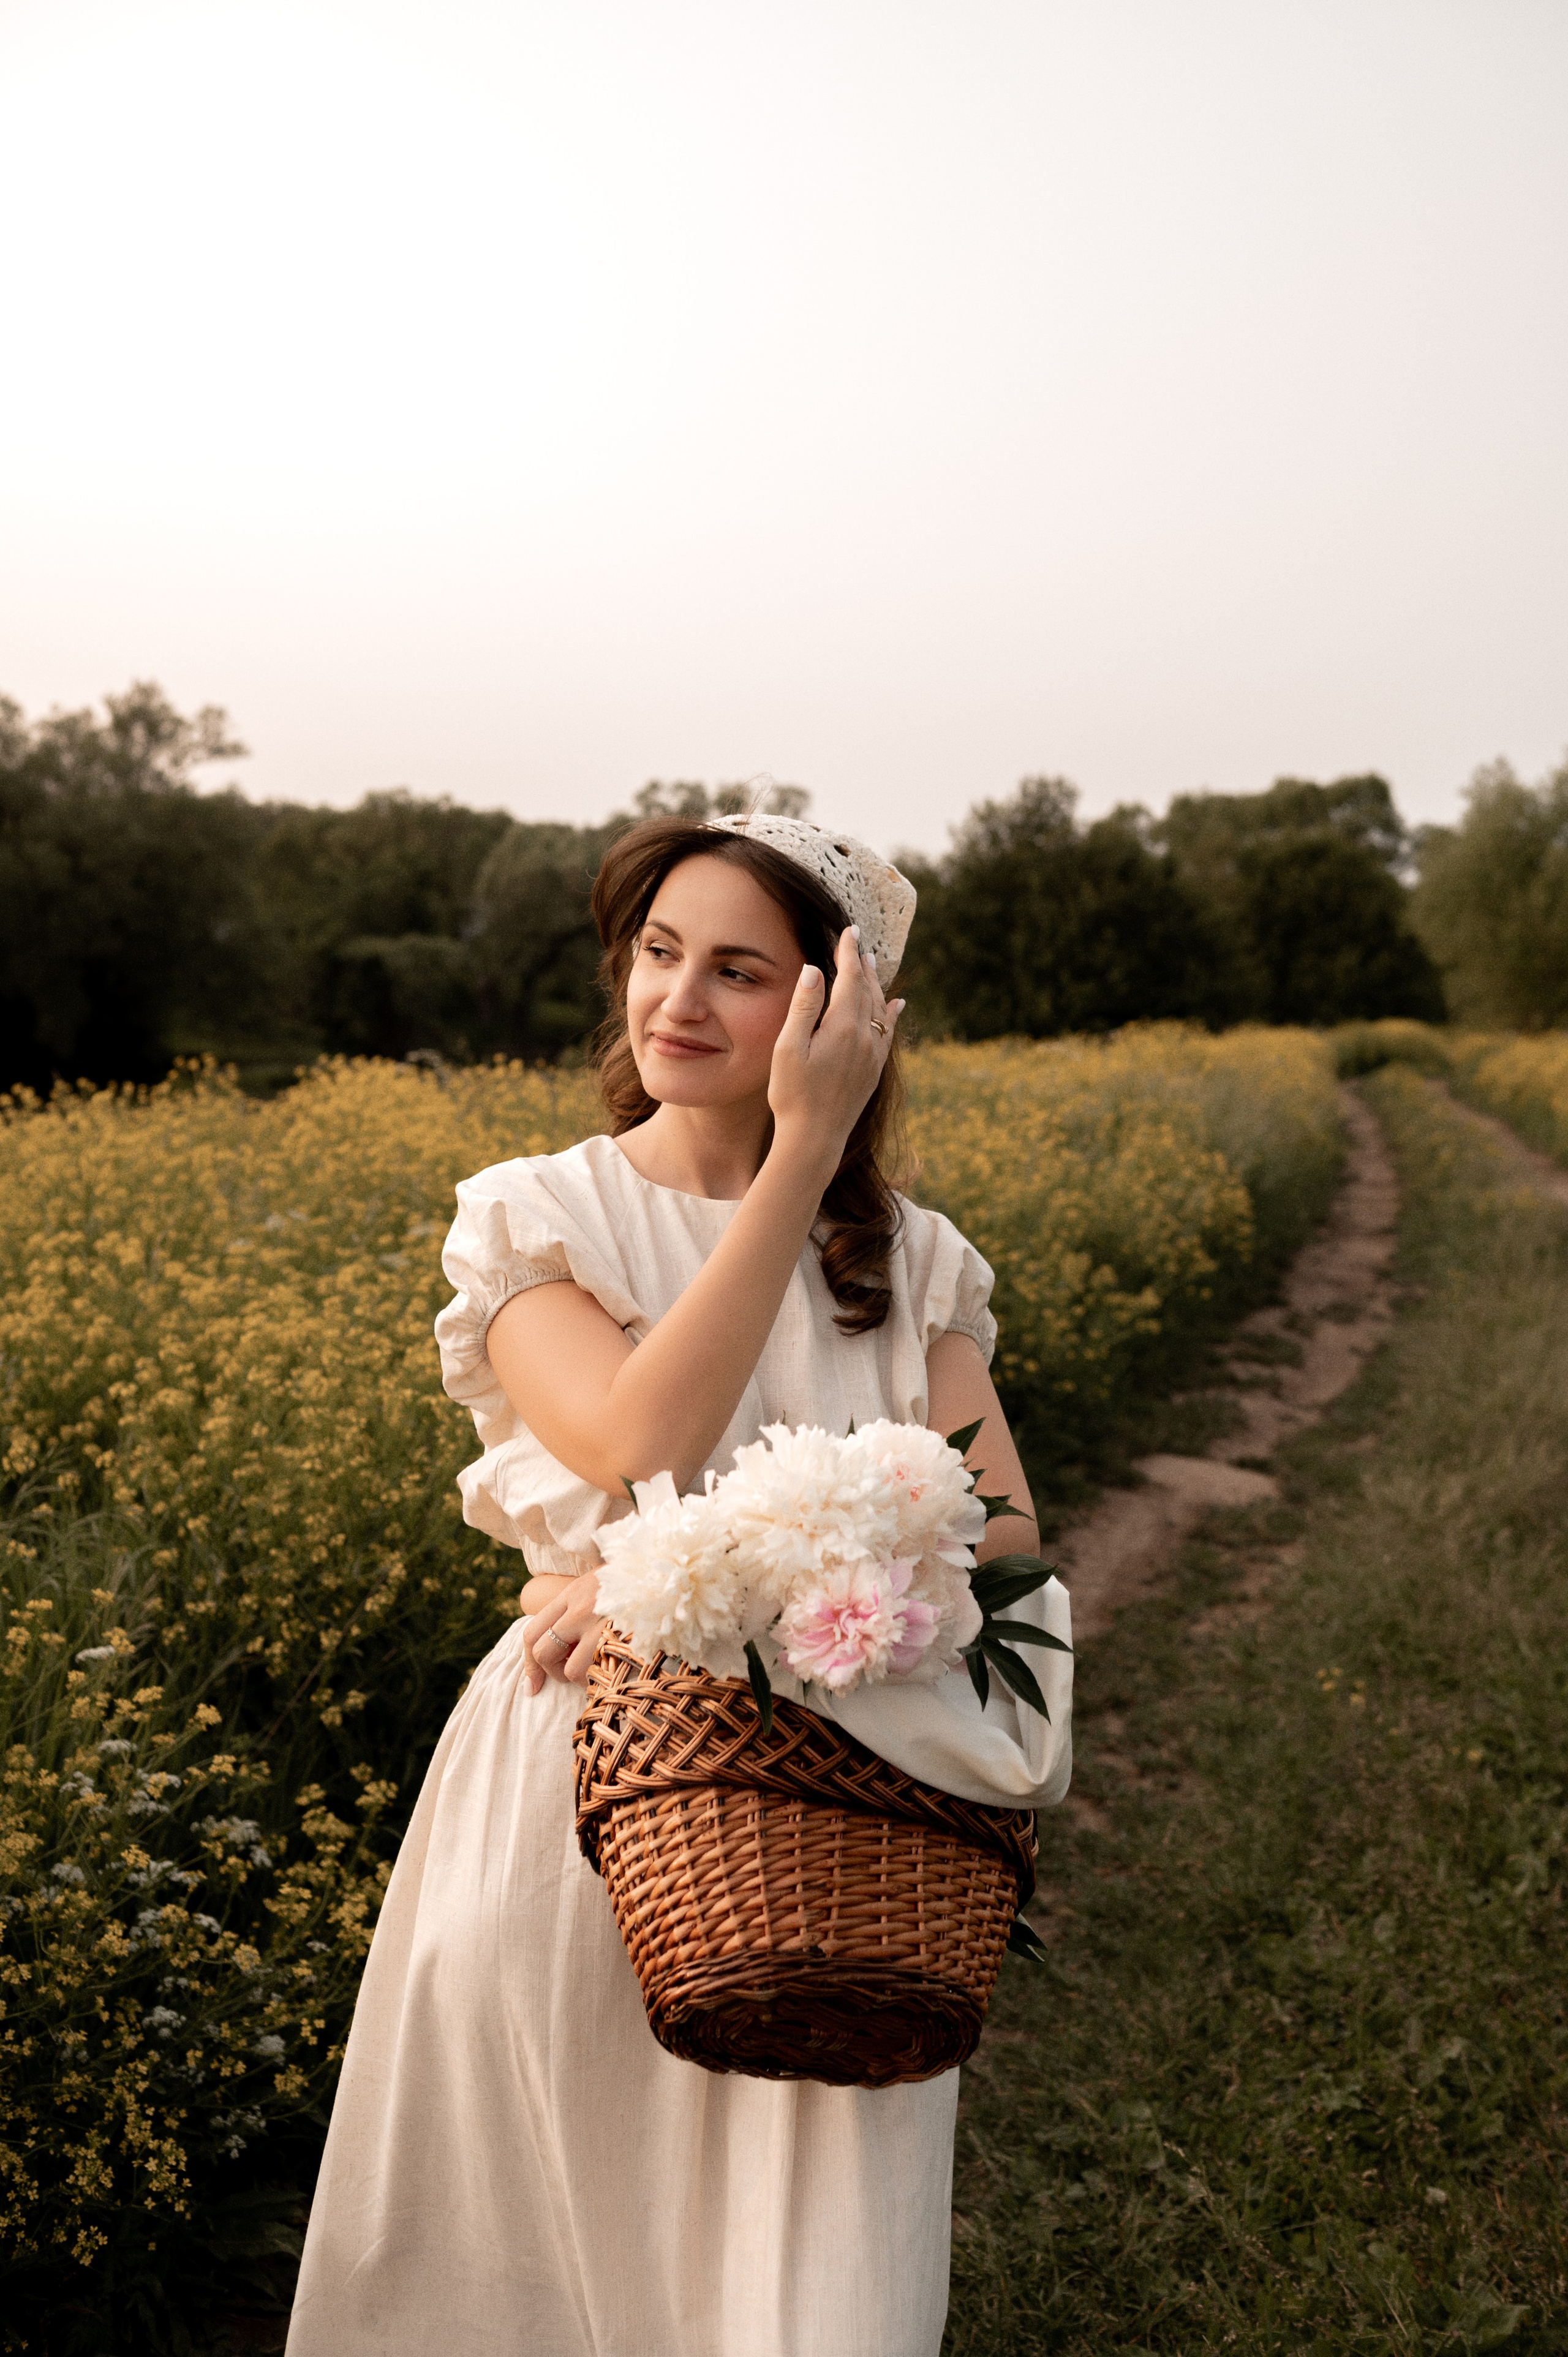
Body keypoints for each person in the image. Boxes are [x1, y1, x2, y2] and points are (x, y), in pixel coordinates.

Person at [285, 811, 1071, 2357]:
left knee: (811, 2282)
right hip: (590, 1793)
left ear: (831, 1017)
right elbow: (641, 1431)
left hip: (844, 1820)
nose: (674, 1003)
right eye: (656, 953)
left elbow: (1005, 1550)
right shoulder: (536, 1213)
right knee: (550, 2237)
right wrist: (798, 1164)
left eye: (734, 969)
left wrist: (663, 1575)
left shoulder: (918, 1267)